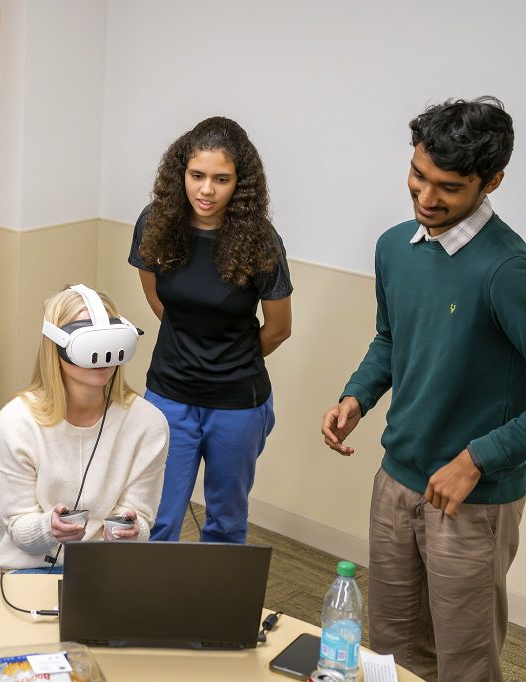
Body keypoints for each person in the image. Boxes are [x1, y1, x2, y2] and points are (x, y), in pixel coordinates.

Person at [321, 97, 525, 682]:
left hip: (471, 500)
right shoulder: (393, 247)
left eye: (449, 187)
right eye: (418, 176)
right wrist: (357, 396)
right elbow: (391, 338)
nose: (426, 198)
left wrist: (479, 459)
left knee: (462, 664)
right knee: (388, 654)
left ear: (493, 182)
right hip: (396, 482)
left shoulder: (508, 270)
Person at [129, 116, 292, 545]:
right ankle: (149, 610)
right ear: (180, 173)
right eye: (197, 175)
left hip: (237, 402)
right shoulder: (155, 224)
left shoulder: (262, 242)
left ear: (240, 183)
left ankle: (214, 612)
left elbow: (278, 329)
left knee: (225, 522)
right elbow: (158, 300)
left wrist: (225, 355)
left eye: (221, 179)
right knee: (155, 519)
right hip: (169, 392)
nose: (206, 189)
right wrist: (193, 345)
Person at [0, 285, 169, 575]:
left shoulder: (147, 423)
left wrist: (129, 531)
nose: (104, 355)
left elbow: (141, 517)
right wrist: (49, 528)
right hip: (28, 569)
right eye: (89, 342)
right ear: (56, 346)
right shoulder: (18, 421)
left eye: (110, 339)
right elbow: (18, 527)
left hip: (107, 570)